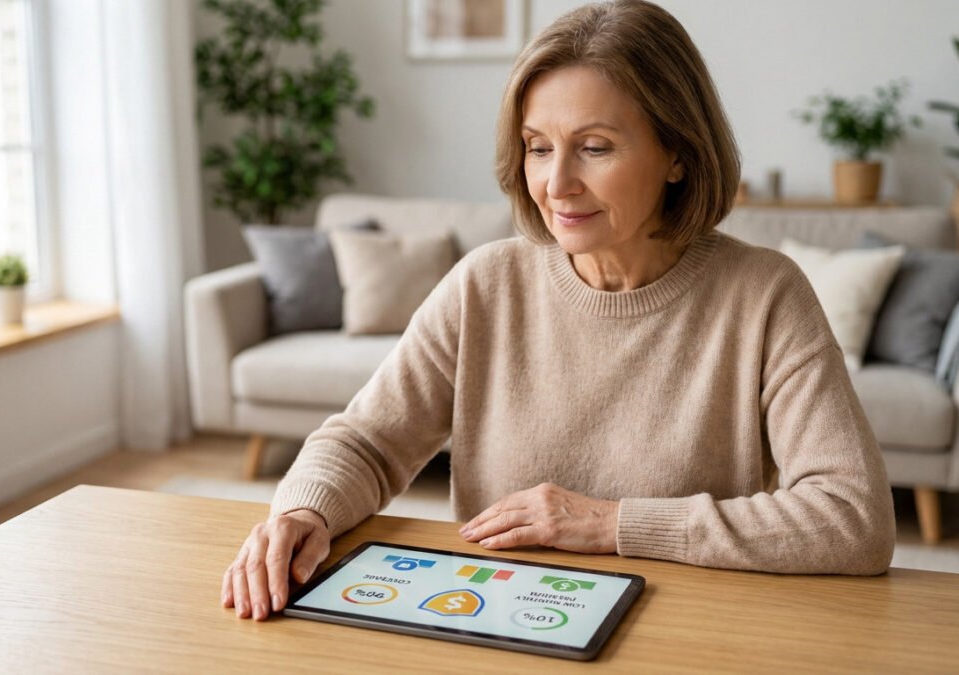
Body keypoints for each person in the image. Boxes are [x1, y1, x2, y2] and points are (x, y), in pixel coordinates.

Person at [222, 0, 895, 621]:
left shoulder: (764, 294)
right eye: (538, 146)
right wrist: (301, 508)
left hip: (686, 635)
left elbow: (853, 518)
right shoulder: (487, 283)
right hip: (495, 624)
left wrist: (609, 524)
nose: (555, 182)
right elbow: (365, 442)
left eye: (595, 147)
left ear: (678, 156)